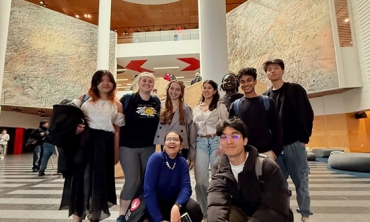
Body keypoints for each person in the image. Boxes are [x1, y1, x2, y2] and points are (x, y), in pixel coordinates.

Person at [60, 70, 125, 222]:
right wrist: (75, 129)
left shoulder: (117, 105)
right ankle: (77, 217)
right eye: (102, 80)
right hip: (85, 144)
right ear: (95, 83)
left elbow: (117, 132)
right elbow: (67, 119)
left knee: (100, 182)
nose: (106, 83)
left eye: (109, 80)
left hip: (105, 145)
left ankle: (94, 216)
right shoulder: (84, 99)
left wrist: (116, 153)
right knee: (81, 179)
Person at [207, 118, 291, 222]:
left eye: (235, 136)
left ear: (245, 140)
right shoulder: (219, 167)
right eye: (224, 137)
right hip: (243, 214)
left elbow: (274, 209)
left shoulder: (267, 167)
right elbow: (217, 201)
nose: (229, 141)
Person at [263, 58, 314, 222]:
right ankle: (284, 213)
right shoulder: (265, 96)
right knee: (278, 185)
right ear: (266, 74)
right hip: (276, 149)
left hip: (294, 144)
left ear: (282, 71)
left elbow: (307, 113)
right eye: (269, 69)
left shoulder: (295, 90)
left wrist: (303, 139)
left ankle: (305, 214)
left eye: (276, 68)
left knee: (301, 181)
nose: (273, 71)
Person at [117, 72, 161, 222]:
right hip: (128, 147)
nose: (147, 83)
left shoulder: (156, 101)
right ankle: (122, 214)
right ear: (139, 82)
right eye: (144, 81)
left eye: (150, 81)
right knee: (132, 180)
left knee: (145, 180)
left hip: (148, 146)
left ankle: (138, 212)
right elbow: (118, 122)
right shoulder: (128, 99)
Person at [144, 131, 203, 222]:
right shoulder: (156, 158)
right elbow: (149, 190)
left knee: (194, 208)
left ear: (180, 146)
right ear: (164, 144)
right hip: (155, 204)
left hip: (174, 203)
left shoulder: (182, 162)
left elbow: (186, 188)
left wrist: (177, 206)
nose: (172, 141)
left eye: (175, 139)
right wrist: (159, 219)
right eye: (168, 139)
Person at [192, 80, 229, 220]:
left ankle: (216, 208)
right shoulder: (196, 108)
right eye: (204, 88)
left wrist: (223, 145)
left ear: (215, 90)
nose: (206, 90)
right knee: (200, 180)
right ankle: (203, 210)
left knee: (217, 177)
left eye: (209, 88)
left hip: (216, 141)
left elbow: (226, 127)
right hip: (200, 141)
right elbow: (193, 129)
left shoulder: (221, 106)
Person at [229, 68, 283, 160]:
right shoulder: (235, 105)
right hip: (243, 154)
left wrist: (275, 151)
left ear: (255, 82)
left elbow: (277, 128)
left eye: (249, 80)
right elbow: (232, 131)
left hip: (266, 153)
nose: (246, 84)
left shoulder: (267, 102)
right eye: (242, 81)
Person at [153, 80, 196, 168]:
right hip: (165, 146)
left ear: (181, 92)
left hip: (182, 147)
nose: (174, 92)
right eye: (172, 88)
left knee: (180, 174)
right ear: (168, 89)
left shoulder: (186, 109)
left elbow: (192, 133)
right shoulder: (160, 106)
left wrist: (192, 155)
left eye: (177, 89)